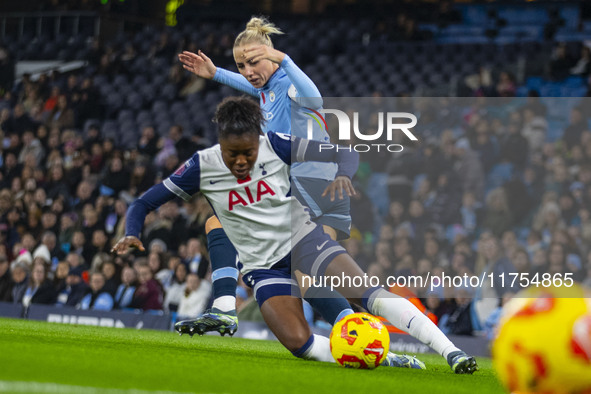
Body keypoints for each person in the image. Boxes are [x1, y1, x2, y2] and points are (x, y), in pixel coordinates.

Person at [113, 97, 478, 374]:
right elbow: (143, 202)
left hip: (302, 239)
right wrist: (131, 232)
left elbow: (344, 152)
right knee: (297, 343)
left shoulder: (275, 145)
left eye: (247, 153)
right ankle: (383, 357)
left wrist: (343, 175)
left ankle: (452, 353)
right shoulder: (200, 166)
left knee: (367, 294)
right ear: (219, 144)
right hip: (262, 265)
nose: (240, 161)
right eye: (231, 154)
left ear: (257, 140)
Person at [178, 16, 354, 337]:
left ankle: (225, 309)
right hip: (290, 186)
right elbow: (250, 85)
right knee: (303, 273)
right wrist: (216, 72)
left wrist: (284, 59)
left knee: (222, 221)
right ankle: (353, 327)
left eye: (253, 62)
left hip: (307, 187)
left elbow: (314, 99)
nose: (247, 71)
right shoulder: (267, 87)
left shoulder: (287, 83)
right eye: (241, 65)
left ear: (271, 58)